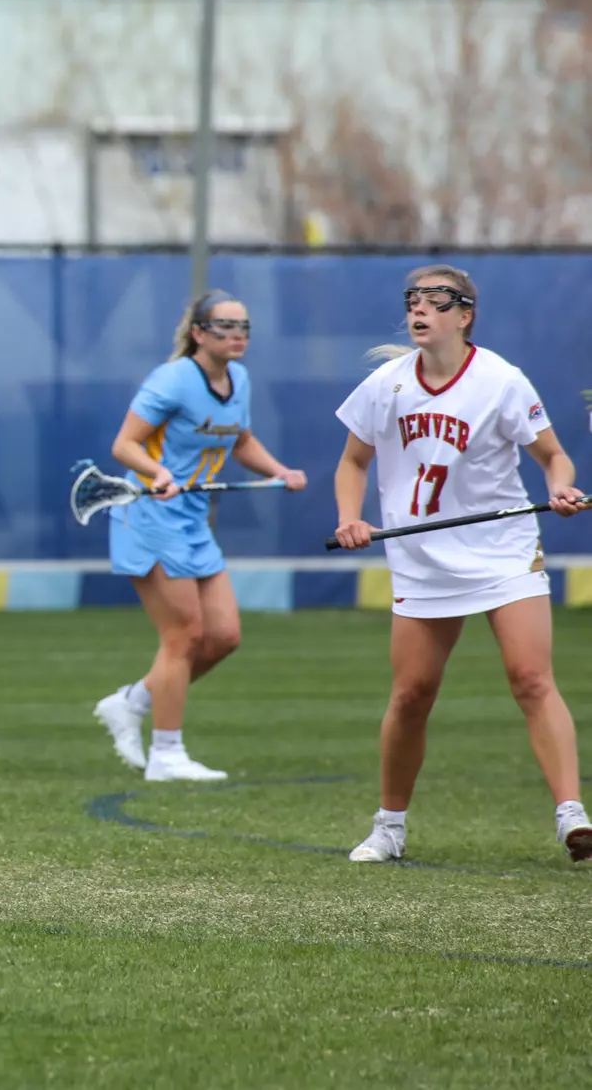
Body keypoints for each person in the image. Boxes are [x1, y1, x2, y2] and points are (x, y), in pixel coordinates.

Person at [331, 264, 589, 863]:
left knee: (531, 679)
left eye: (436, 301)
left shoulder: (501, 381)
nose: (419, 310)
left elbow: (555, 458)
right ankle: (389, 826)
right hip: (422, 561)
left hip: (503, 552)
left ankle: (572, 815)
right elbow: (352, 463)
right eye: (413, 300)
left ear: (464, 315)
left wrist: (561, 489)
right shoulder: (386, 386)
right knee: (412, 695)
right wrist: (351, 517)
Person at [92, 290, 308, 781]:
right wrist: (157, 473)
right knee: (184, 635)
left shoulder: (241, 380)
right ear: (198, 334)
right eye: (225, 327)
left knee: (224, 636)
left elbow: (242, 440)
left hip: (191, 521)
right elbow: (124, 445)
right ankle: (167, 755)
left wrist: (279, 471)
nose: (237, 336)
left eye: (244, 327)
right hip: (150, 516)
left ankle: (132, 701)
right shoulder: (172, 380)